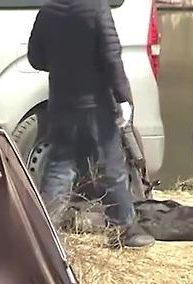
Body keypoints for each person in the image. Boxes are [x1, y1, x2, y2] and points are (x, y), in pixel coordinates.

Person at [27, 0, 155, 249]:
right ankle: (124, 230)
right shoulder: (96, 7)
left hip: (62, 101)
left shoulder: (49, 9)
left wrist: (62, 64)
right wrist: (123, 97)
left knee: (59, 167)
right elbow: (111, 56)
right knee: (111, 166)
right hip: (96, 103)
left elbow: (35, 57)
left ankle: (44, 234)